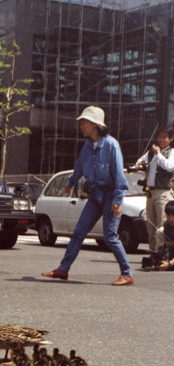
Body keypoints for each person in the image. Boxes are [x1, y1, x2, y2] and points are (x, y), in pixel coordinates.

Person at [42, 105, 134, 286]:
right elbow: (78, 167)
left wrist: (117, 200)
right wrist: (70, 183)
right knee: (78, 233)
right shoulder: (87, 146)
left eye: (84, 122)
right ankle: (63, 269)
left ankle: (127, 273)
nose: (81, 125)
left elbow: (118, 175)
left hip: (110, 195)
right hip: (95, 195)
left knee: (110, 236)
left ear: (94, 124)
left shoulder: (111, 145)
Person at [134, 126, 174, 252]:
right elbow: (140, 161)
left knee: (162, 225)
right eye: (159, 137)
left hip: (163, 192)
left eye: (164, 137)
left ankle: (162, 253)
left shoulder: (171, 152)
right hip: (150, 193)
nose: (161, 140)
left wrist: (158, 154)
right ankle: (152, 251)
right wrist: (140, 164)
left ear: (171, 139)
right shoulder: (151, 151)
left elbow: (169, 167)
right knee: (150, 226)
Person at [142, 200, 174, 270]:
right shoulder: (167, 225)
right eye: (169, 215)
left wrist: (170, 264)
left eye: (173, 215)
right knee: (159, 231)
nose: (171, 219)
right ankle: (159, 258)